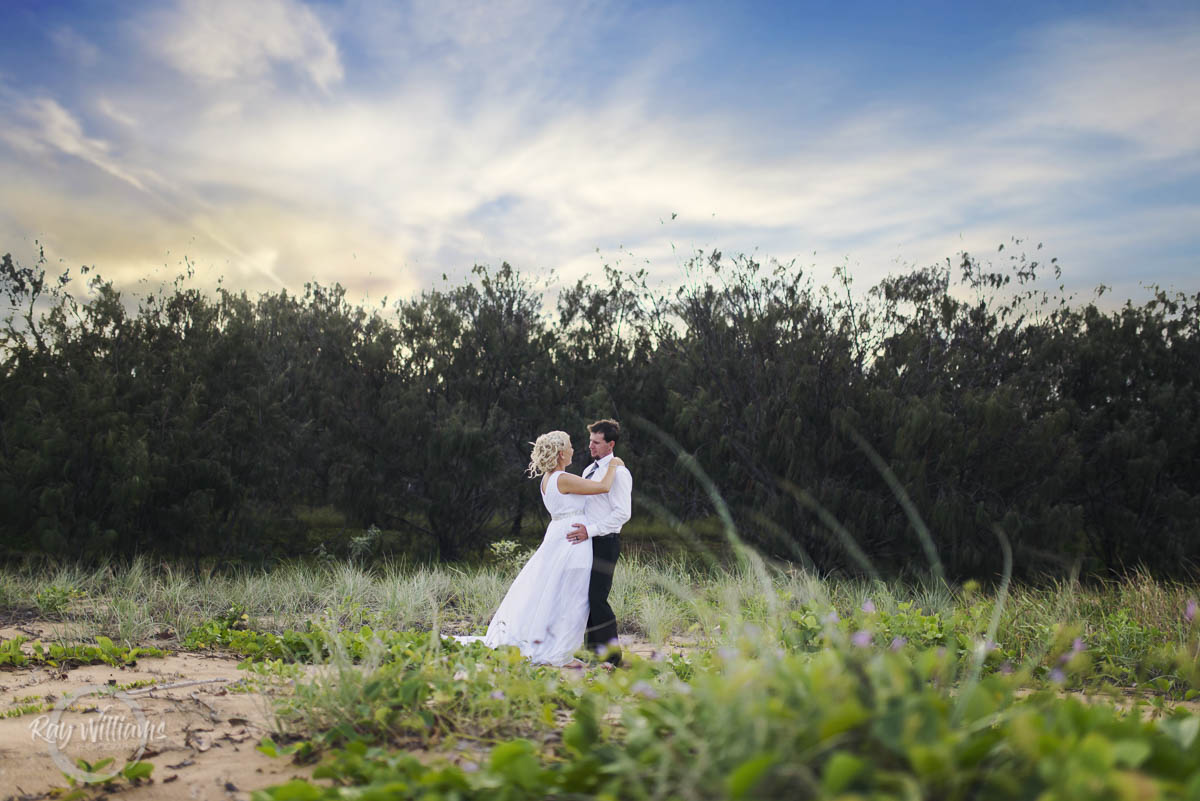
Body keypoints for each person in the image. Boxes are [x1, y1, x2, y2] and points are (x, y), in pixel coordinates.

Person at [478, 430, 624, 667]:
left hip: (559, 534)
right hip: (572, 540)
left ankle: (561, 647)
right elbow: (604, 487)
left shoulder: (548, 479)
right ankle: (560, 652)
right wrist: (614, 464)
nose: (574, 450)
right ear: (560, 453)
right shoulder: (562, 478)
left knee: (555, 592)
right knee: (573, 596)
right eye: (569, 446)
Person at [567, 419, 632, 666]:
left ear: (610, 444)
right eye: (590, 441)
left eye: (596, 442)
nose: (590, 446)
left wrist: (591, 530)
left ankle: (612, 658)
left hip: (605, 542)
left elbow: (622, 513)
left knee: (598, 597)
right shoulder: (588, 470)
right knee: (585, 597)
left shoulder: (620, 473)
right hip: (587, 542)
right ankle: (593, 654)